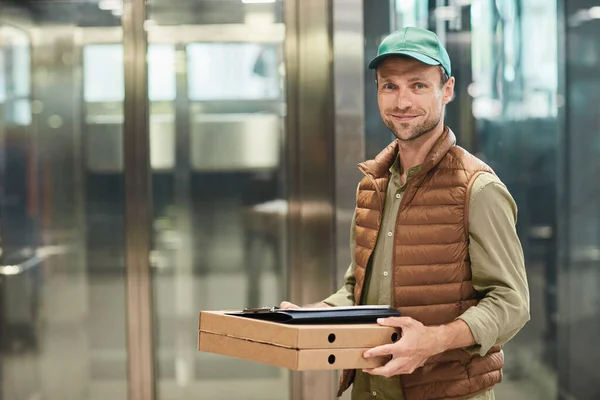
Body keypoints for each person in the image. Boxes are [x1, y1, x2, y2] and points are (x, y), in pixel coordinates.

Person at [280, 27, 530, 400]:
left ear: (446, 90)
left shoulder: (478, 190)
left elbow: (511, 303)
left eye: (418, 85)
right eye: (389, 86)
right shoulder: (373, 185)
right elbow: (358, 289)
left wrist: (433, 340)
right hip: (372, 389)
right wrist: (314, 315)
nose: (402, 101)